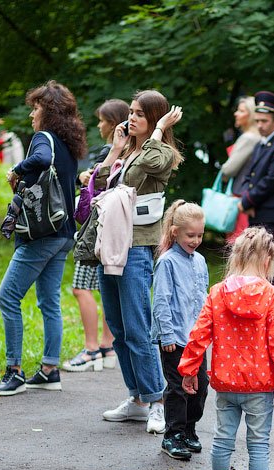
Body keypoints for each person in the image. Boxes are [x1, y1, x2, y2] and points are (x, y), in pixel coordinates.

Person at [179, 226, 274, 470]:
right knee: (258, 444)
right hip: (260, 386)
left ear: (236, 257)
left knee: (222, 440)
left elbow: (199, 335)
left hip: (226, 383)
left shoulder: (218, 293)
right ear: (268, 261)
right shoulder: (271, 296)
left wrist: (189, 369)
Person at [95, 90, 183, 435]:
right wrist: (115, 151)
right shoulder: (125, 149)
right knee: (117, 327)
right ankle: (137, 399)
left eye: (139, 115)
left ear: (156, 118)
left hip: (135, 246)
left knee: (137, 326)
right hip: (109, 242)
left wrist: (159, 131)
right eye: (130, 112)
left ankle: (157, 401)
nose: (130, 119)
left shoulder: (162, 152)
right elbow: (96, 185)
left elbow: (143, 172)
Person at [0, 81, 87, 396]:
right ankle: (49, 369)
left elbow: (41, 161)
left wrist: (15, 170)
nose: (32, 113)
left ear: (47, 111)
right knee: (49, 302)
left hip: (42, 235)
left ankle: (14, 370)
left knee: (7, 297)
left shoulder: (43, 139)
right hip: (63, 234)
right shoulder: (68, 145)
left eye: (35, 107)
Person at [63, 99, 129, 373]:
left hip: (96, 229)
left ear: (113, 124)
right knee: (106, 289)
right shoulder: (132, 152)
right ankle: (107, 344)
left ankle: (92, 349)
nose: (99, 125)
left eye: (102, 120)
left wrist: (84, 178)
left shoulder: (109, 152)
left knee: (82, 288)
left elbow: (98, 185)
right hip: (117, 230)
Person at [151, 200, 209, 461]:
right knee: (178, 387)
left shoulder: (200, 262)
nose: (196, 240)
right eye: (190, 235)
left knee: (201, 386)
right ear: (175, 232)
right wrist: (166, 334)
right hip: (174, 338)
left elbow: (204, 300)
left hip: (196, 339)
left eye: (199, 235)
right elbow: (161, 299)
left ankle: (189, 428)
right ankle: (172, 435)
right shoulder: (167, 262)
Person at [236, 91, 274, 305]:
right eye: (257, 121)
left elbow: (272, 180)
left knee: (272, 264)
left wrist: (248, 201)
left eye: (264, 121)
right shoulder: (263, 143)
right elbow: (251, 176)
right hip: (258, 211)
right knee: (257, 260)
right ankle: (261, 303)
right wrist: (247, 198)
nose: (260, 125)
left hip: (271, 214)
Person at [221, 96, 261, 243]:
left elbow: (227, 170)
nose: (236, 113)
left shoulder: (248, 138)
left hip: (239, 200)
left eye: (241, 111)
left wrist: (223, 171)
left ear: (250, 115)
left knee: (238, 247)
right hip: (250, 200)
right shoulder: (260, 138)